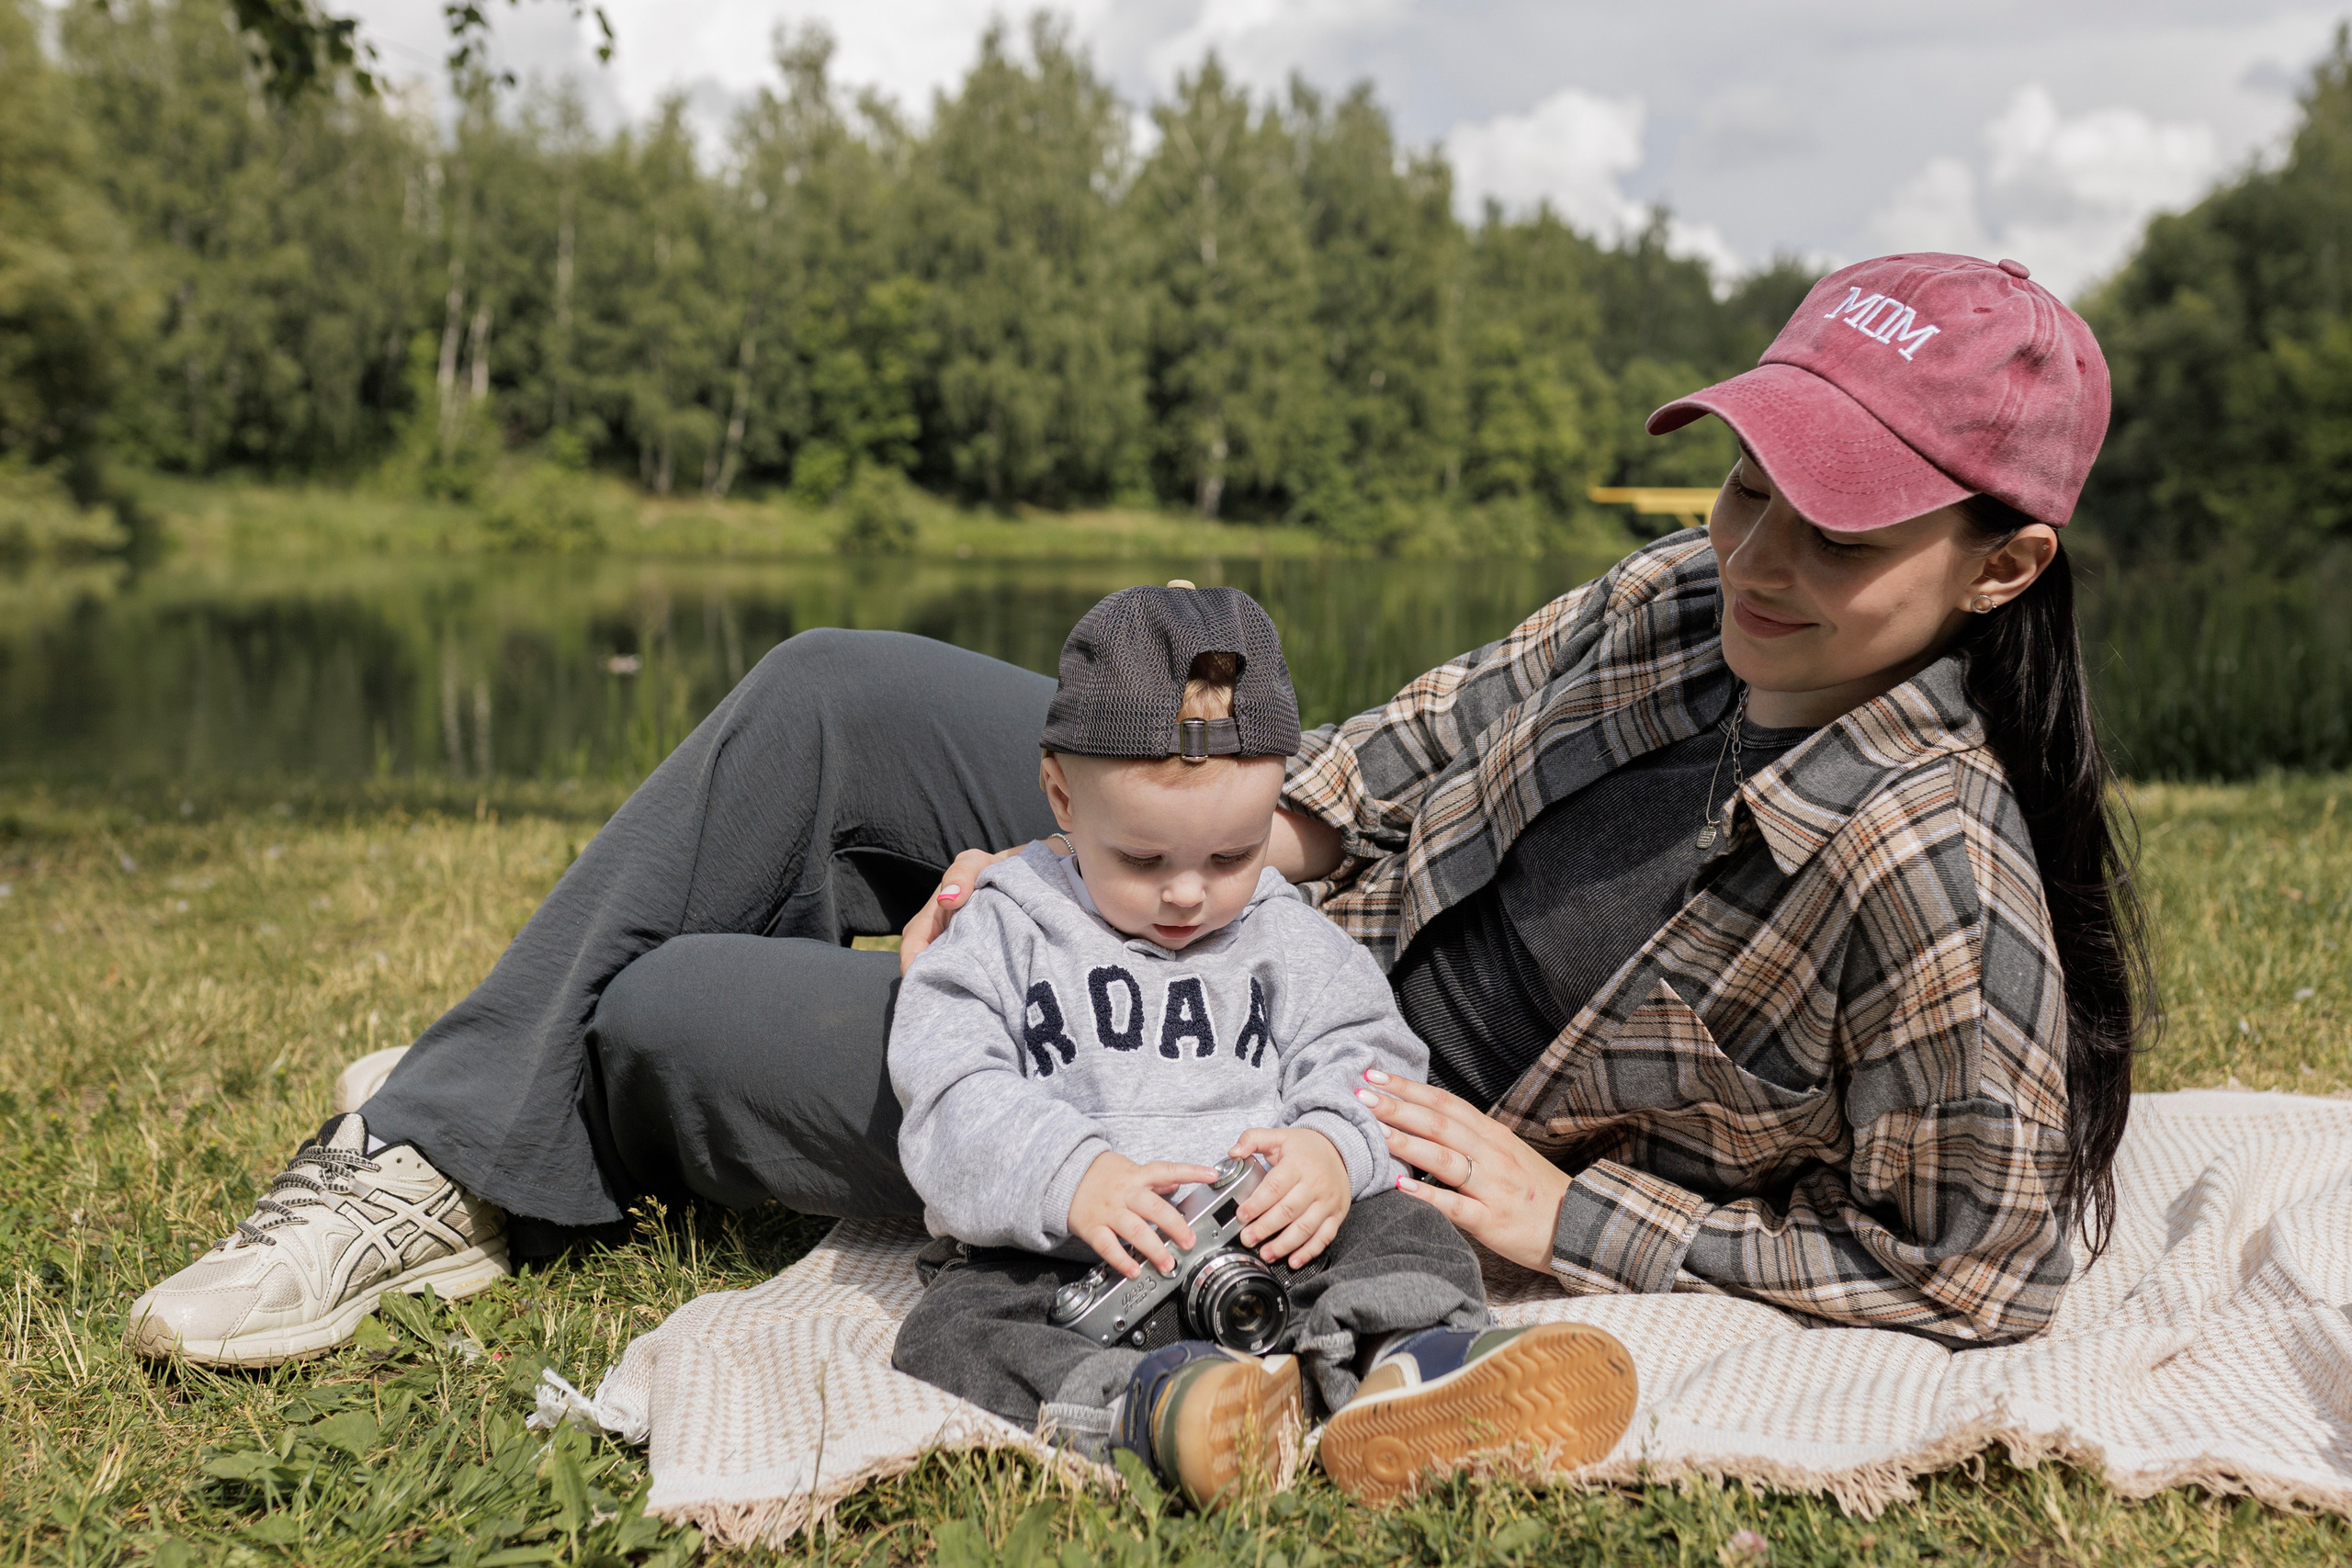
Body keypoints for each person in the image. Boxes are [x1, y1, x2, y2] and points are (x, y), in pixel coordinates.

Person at [125, 254, 2148, 1417]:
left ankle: (522, 1086)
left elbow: (1974, 1275)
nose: (1760, 552)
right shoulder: (1677, 597)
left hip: (1298, 1105)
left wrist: (1571, 1222)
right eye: (1750, 481)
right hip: (1268, 904)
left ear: (2002, 564)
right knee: (837, 688)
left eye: (1842, 522)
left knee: (663, 1019)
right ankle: (435, 1158)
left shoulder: (1932, 875)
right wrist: (1115, 874)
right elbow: (1382, 756)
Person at [882, 583, 1634, 1507]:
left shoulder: (1290, 936)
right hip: (1075, 1261)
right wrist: (1070, 1176)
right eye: (1144, 860)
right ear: (1062, 797)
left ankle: (1416, 1363)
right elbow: (948, 1084)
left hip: (1263, 1239)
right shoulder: (1008, 925)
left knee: (1402, 1228)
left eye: (1231, 857)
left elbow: (1370, 1062)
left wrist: (1328, 1149)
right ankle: (1149, 1410)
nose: (1187, 894)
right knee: (951, 1329)